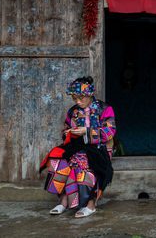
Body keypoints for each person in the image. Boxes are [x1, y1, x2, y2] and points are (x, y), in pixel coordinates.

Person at [40, 76, 116, 218]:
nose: (78, 102)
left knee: (82, 162)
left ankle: (89, 204)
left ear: (90, 95)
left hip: (99, 148)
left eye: (81, 98)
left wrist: (86, 131)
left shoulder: (105, 109)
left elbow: (109, 132)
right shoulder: (73, 111)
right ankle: (64, 201)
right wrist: (70, 133)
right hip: (77, 146)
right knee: (59, 161)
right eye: (75, 98)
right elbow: (65, 132)